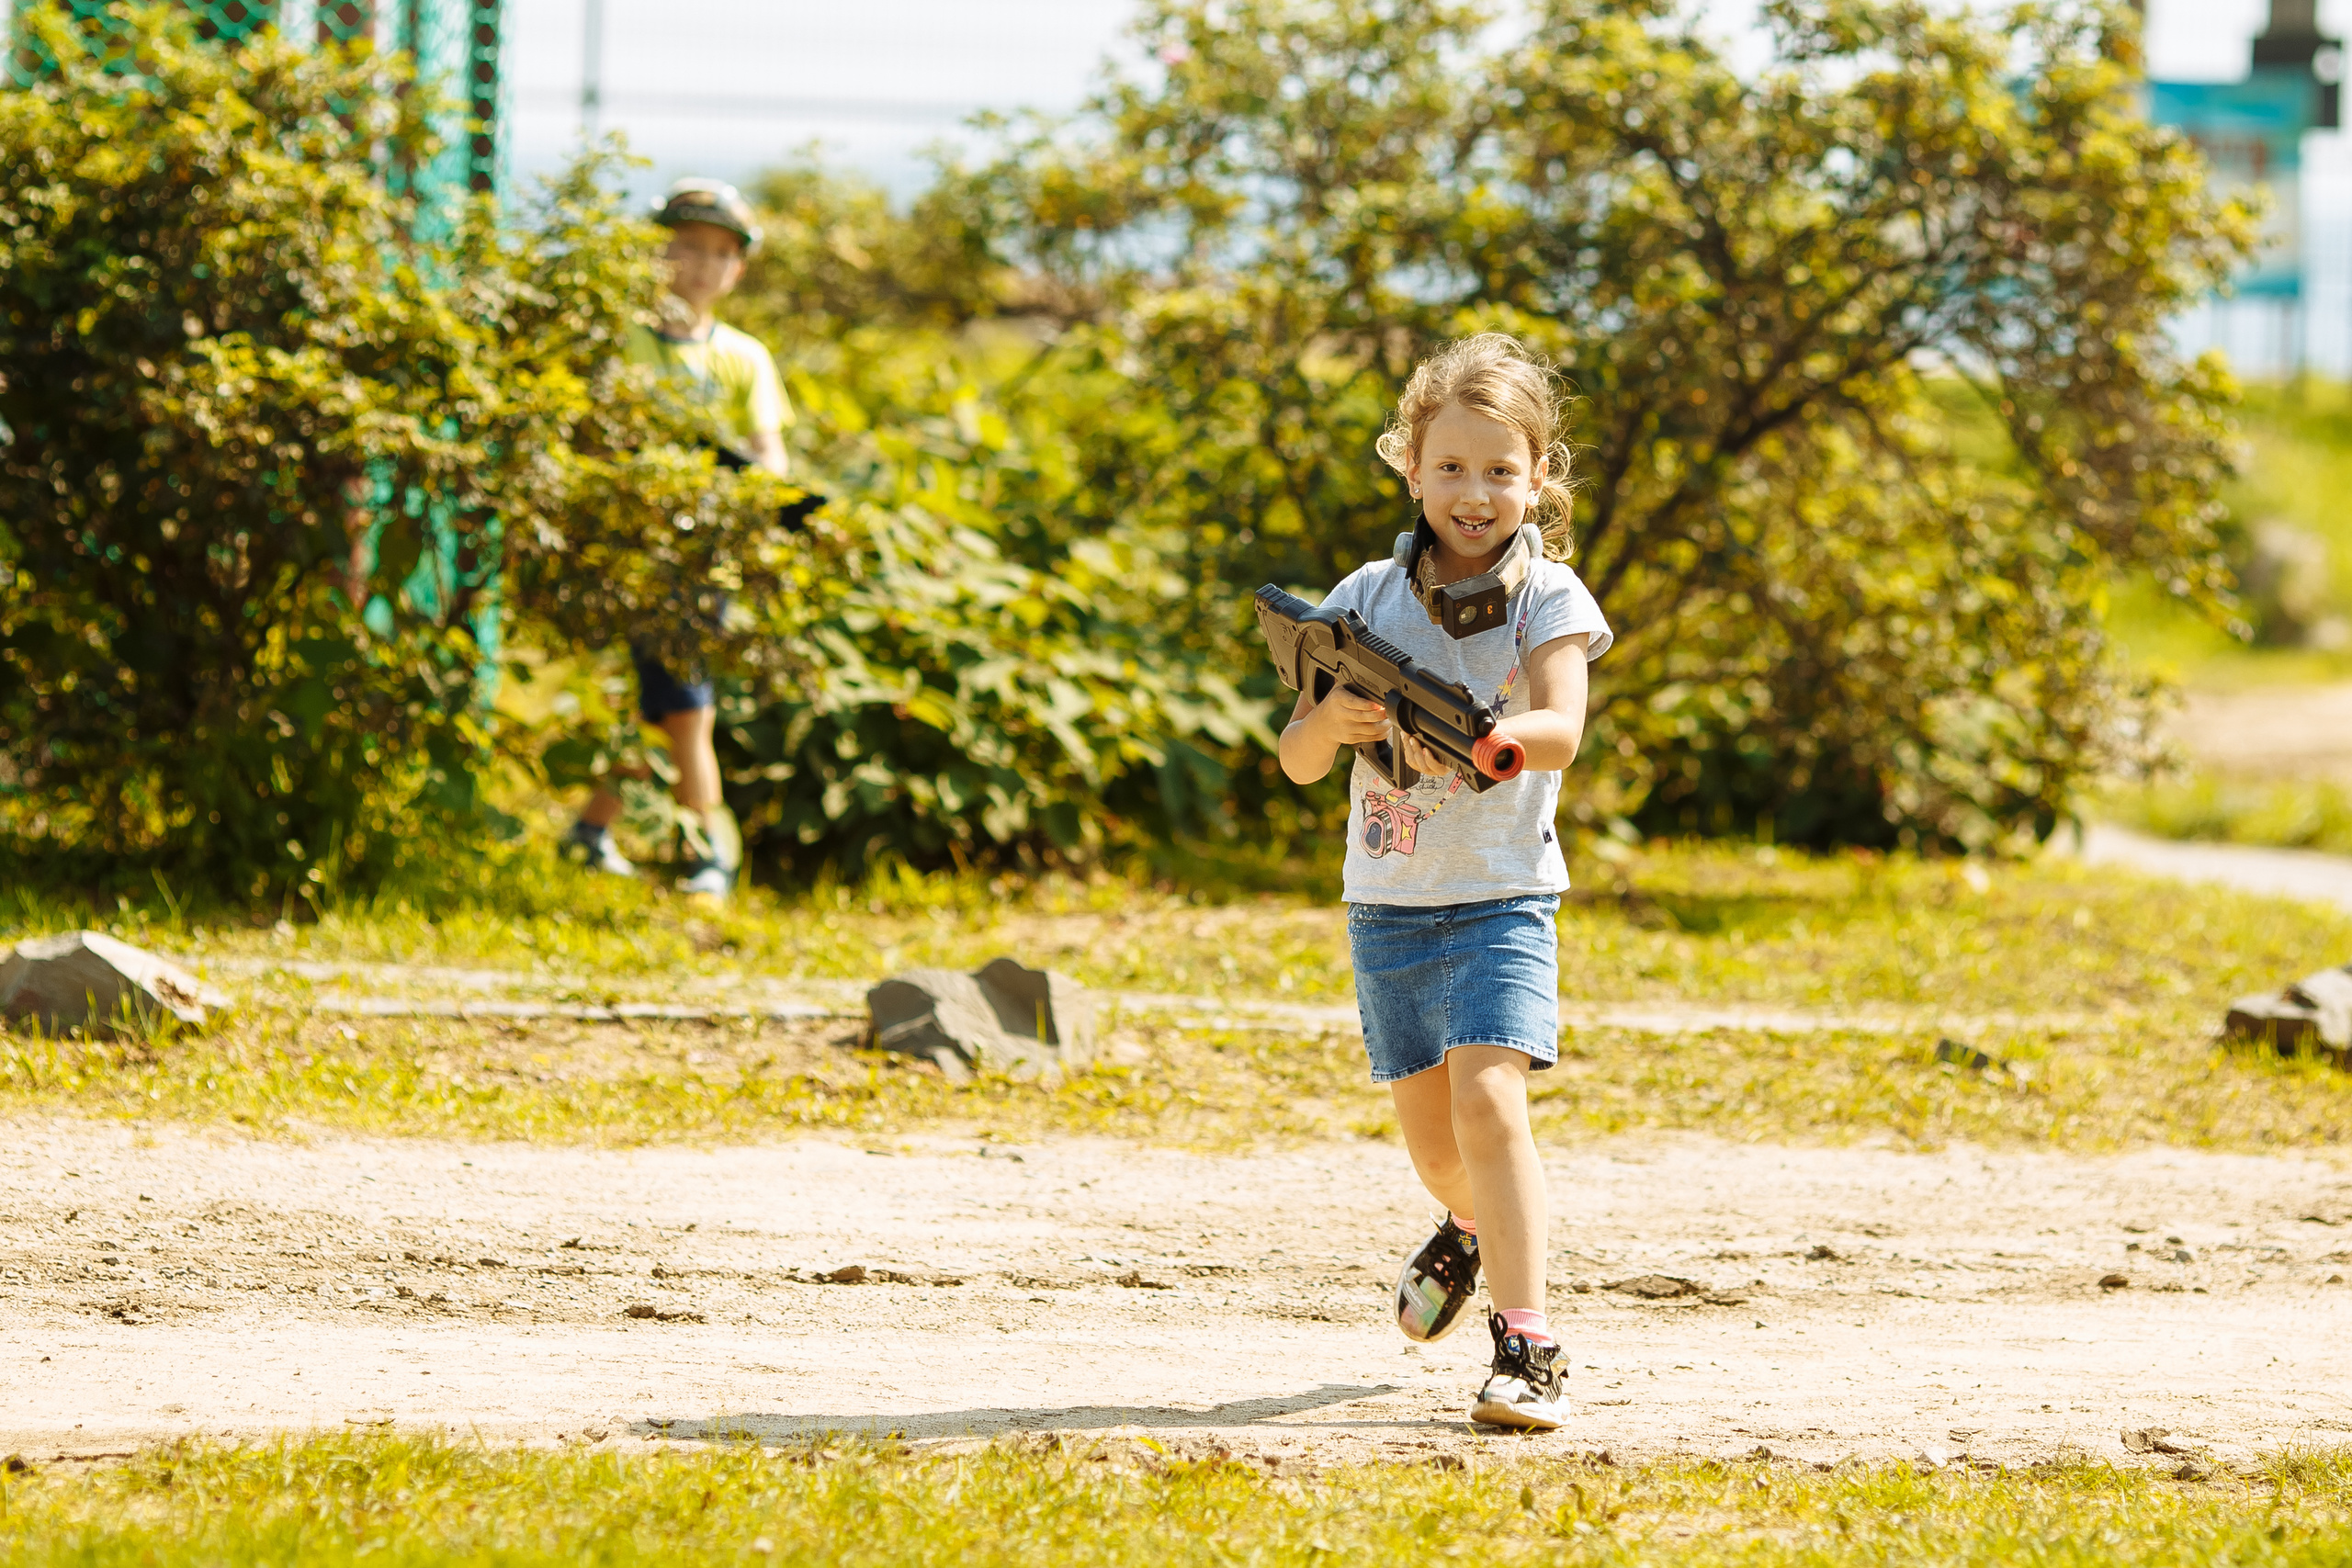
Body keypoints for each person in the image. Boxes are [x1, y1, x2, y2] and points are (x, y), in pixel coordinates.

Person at [1275, 333, 1611, 1430]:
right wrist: (1335, 718)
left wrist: (1487, 741)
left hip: (1503, 895)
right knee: (1436, 1151)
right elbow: (1296, 755)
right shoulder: (1366, 595)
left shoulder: (1542, 598)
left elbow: (1560, 725)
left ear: (1537, 479)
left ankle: (1528, 1341)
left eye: (1501, 472)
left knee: (1488, 1102)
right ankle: (1467, 1230)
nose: (1476, 494)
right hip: (1388, 905)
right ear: (1410, 468)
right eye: (1453, 469)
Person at [566, 177, 792, 901]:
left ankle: (592, 829)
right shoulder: (622, 341)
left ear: (738, 268)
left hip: (710, 560)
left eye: (718, 252)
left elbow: (770, 457)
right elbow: (595, 439)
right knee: (689, 706)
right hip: (640, 555)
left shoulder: (745, 357)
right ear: (658, 251)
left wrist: (743, 484)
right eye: (687, 246)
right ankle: (707, 849)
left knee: (665, 704)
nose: (700, 264)